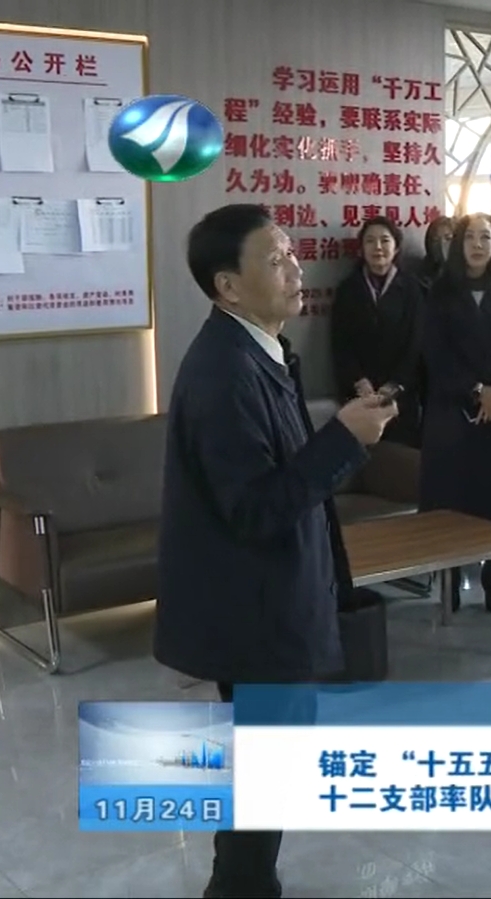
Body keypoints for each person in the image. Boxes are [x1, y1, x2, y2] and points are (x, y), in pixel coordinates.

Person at [154, 204, 397, 899]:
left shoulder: (261, 349)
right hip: (254, 609)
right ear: (228, 286)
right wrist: (345, 438)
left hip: (274, 596)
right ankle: (239, 886)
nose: (294, 268)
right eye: (274, 258)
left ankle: (246, 877)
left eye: (290, 253)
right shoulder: (223, 374)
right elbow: (256, 507)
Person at [418, 212, 491, 613]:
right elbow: (435, 352)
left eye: (486, 237)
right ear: (458, 244)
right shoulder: (440, 292)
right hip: (452, 413)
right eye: (470, 237)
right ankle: (450, 579)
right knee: (452, 502)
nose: (478, 245)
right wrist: (477, 390)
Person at [330, 215, 425, 447]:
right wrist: (358, 381)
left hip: (402, 397)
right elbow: (340, 343)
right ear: (361, 249)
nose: (378, 247)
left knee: (401, 462)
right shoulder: (347, 290)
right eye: (370, 241)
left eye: (385, 240)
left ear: (396, 247)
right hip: (360, 396)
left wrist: (395, 384)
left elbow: (417, 342)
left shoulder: (413, 289)